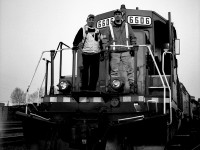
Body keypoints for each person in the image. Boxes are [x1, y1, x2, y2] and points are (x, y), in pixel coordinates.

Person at [103, 9, 137, 93]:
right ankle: (115, 87)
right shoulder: (109, 27)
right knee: (114, 71)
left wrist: (132, 47)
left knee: (130, 69)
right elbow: (105, 39)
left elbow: (133, 36)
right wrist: (105, 48)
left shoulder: (127, 25)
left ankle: (132, 86)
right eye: (116, 14)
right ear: (114, 16)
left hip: (126, 51)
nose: (117, 15)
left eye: (119, 14)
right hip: (114, 52)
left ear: (121, 16)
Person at [72, 14, 102, 91]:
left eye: (93, 20)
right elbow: (75, 41)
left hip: (96, 54)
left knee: (95, 73)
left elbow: (100, 42)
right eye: (90, 20)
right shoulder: (82, 29)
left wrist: (101, 51)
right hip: (85, 54)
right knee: (84, 72)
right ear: (87, 21)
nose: (91, 21)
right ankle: (84, 88)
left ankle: (92, 88)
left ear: (94, 21)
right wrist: (76, 46)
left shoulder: (98, 31)